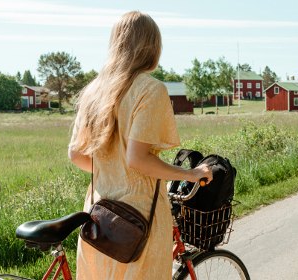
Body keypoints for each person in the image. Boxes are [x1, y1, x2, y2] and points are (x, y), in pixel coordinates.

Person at [67, 11, 212, 279]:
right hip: (139, 219)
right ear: (152, 47)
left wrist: (113, 172)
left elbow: (76, 154)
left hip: (98, 217)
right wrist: (191, 174)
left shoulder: (94, 91)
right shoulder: (150, 89)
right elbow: (138, 159)